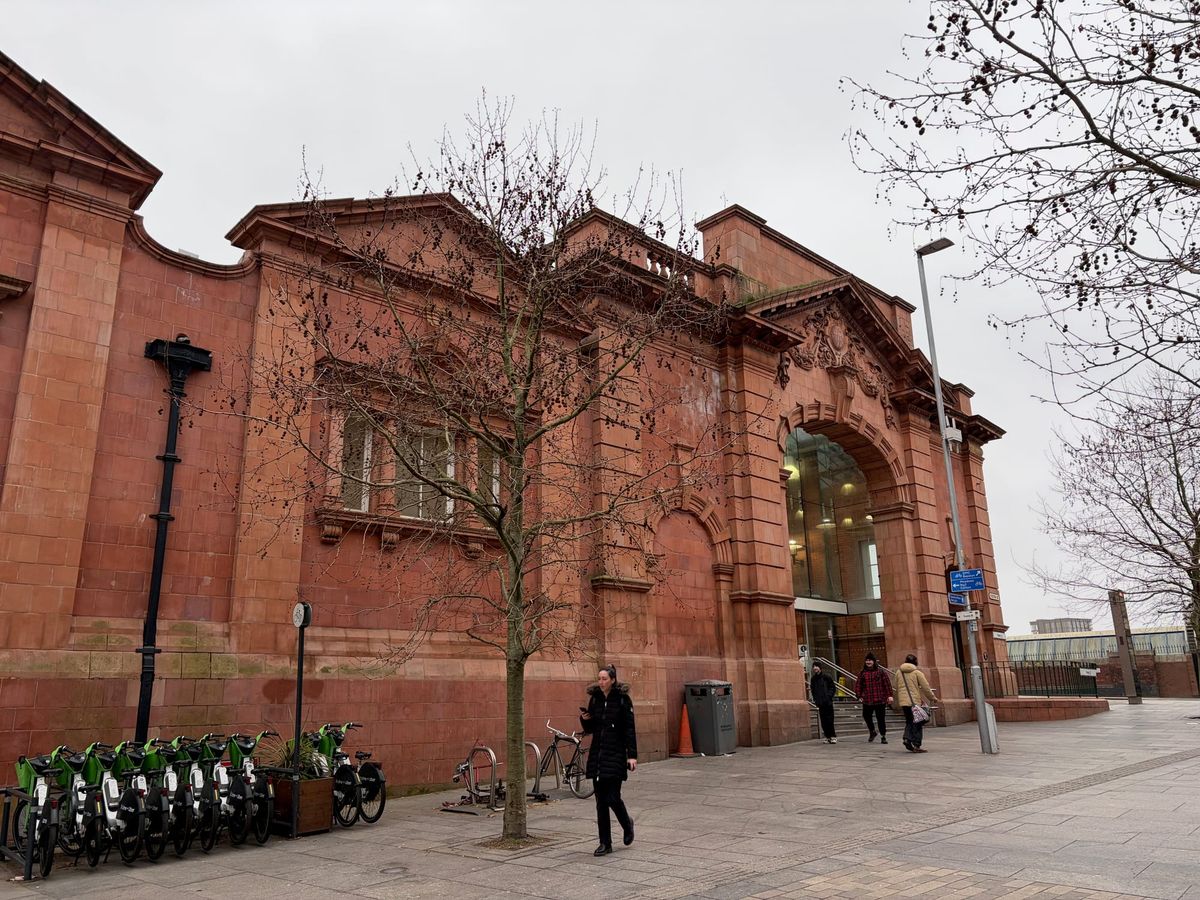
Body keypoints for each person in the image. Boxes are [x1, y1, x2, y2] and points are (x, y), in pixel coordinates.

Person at [580, 664, 637, 856]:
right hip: (598, 754)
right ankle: (605, 843)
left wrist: (632, 755)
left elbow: (630, 729)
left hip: (616, 754)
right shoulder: (595, 699)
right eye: (599, 678)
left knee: (613, 797)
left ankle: (627, 824)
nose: (601, 682)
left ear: (613, 680)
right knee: (600, 802)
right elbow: (590, 729)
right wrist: (585, 719)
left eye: (605, 678)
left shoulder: (622, 700)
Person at [892, 653, 936, 753]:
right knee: (918, 722)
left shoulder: (899, 672)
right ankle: (916, 744)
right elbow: (926, 688)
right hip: (914, 702)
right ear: (915, 662)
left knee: (909, 721)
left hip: (904, 702)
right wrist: (933, 698)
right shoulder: (917, 672)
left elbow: (895, 686)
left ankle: (907, 738)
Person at [855, 652, 893, 744]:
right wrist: (859, 695)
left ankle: (883, 736)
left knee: (881, 718)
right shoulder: (862, 673)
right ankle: (872, 731)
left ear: (874, 661)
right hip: (867, 699)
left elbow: (887, 684)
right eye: (867, 660)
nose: (868, 662)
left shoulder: (880, 672)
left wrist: (890, 695)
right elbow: (858, 685)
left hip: (880, 699)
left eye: (870, 660)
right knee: (866, 716)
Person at [809, 662, 838, 744]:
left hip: (827, 702)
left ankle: (833, 736)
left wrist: (828, 696)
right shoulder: (813, 679)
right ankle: (827, 736)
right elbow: (813, 690)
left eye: (816, 666)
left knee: (830, 720)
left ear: (820, 668)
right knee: (823, 720)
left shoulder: (826, 677)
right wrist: (816, 700)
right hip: (820, 703)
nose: (815, 668)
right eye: (814, 666)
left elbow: (832, 688)